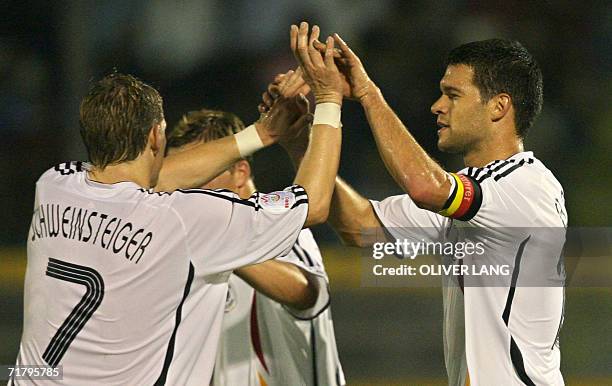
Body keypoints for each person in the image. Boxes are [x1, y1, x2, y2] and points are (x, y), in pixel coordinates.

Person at [14, 35, 345, 386]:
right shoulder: (184, 219)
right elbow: (316, 201)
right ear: (158, 137)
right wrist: (328, 99)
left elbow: (146, 177)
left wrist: (261, 133)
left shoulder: (54, 185)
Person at [276, 23, 566, 386]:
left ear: (499, 107)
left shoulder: (525, 186)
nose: (437, 106)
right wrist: (301, 141)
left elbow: (424, 186)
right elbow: (360, 226)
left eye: (453, 94)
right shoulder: (478, 198)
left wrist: (367, 93)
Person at [166, 108, 345, 386]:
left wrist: (221, 247)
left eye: (202, 171)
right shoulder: (188, 241)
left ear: (240, 173)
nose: (187, 186)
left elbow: (305, 292)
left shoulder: (280, 222)